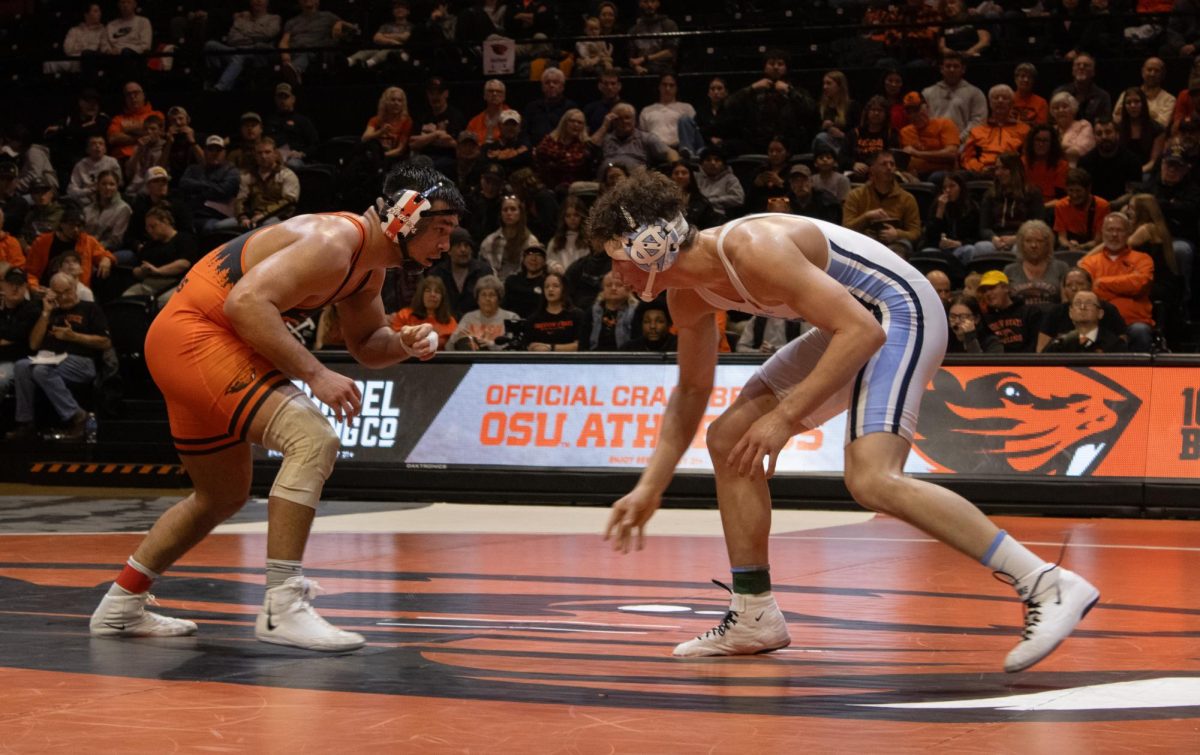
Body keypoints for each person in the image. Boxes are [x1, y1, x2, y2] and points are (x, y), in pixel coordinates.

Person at [591, 172, 1099, 672]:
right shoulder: (688, 296)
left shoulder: (752, 248)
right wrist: (650, 487)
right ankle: (754, 613)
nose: (613, 275)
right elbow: (692, 389)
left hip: (899, 312)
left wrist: (785, 417)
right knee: (729, 439)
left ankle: (1046, 583)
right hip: (852, 321)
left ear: (649, 248)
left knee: (871, 478)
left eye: (614, 260)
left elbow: (861, 332)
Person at [86, 163, 465, 651]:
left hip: (196, 339)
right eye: (441, 230)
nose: (444, 246)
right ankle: (281, 607)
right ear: (406, 219)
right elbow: (245, 304)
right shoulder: (334, 241)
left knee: (220, 495)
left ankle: (120, 606)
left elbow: (368, 344)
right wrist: (315, 374)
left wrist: (405, 344)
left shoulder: (367, 268)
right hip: (198, 337)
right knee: (313, 438)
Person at [6, 272, 110, 442]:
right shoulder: (51, 311)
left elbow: (105, 342)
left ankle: (78, 416)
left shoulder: (90, 308)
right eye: (58, 293)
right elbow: (33, 344)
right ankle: (26, 423)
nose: (64, 297)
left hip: (80, 361)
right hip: (49, 359)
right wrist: (46, 313)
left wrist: (73, 337)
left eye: (67, 291)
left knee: (41, 371)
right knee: (21, 366)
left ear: (75, 288)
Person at [1079, 212, 1155, 352]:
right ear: (1102, 233)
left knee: (1140, 331)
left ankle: (1140, 374)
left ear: (1128, 233)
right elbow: (1085, 294)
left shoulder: (1143, 259)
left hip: (1133, 323)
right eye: (1110, 230)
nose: (1114, 234)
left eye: (1119, 230)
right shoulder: (1089, 263)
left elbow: (1140, 284)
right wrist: (1126, 286)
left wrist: (1101, 283)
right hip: (1098, 325)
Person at [842, 150, 921, 259]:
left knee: (897, 253)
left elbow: (915, 232)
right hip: (865, 241)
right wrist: (866, 216)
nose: (889, 168)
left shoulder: (907, 198)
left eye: (892, 164)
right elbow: (846, 228)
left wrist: (897, 234)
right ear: (872, 169)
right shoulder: (855, 195)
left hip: (896, 243)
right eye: (884, 164)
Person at [122, 206, 198, 305]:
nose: (149, 231)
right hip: (148, 283)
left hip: (175, 283)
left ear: (165, 222)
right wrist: (142, 271)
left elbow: (184, 263)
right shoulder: (150, 245)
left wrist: (158, 271)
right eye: (147, 228)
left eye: (153, 226)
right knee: (126, 299)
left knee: (162, 303)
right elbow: (136, 269)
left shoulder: (184, 239)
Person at [205, 0, 282, 92]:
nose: (258, 1)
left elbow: (268, 34)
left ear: (267, 2)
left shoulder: (274, 18)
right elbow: (232, 38)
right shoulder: (241, 18)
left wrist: (243, 31)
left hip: (257, 53)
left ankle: (220, 87)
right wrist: (255, 35)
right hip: (235, 50)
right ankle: (219, 76)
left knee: (241, 54)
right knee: (210, 45)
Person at [961, 85, 1029, 176]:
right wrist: (980, 168)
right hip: (982, 172)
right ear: (990, 103)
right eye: (996, 98)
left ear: (1012, 103)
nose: (1000, 101)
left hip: (1012, 173)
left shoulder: (1024, 129)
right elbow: (967, 157)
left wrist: (1013, 169)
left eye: (1005, 98)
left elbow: (1028, 156)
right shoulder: (977, 130)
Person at [921, 51, 987, 142]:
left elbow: (978, 122)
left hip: (963, 145)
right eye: (948, 66)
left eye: (956, 66)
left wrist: (957, 140)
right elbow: (923, 120)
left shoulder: (975, 93)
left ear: (963, 69)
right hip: (933, 143)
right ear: (941, 69)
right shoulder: (927, 93)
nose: (952, 69)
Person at [428, 226, 493, 318]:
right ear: (449, 250)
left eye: (466, 245)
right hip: (445, 322)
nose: (463, 250)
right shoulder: (437, 273)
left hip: (477, 322)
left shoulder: (483, 271)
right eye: (458, 245)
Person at [976, 269, 1044, 352]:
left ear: (1006, 288)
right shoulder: (984, 320)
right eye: (984, 291)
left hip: (1026, 362)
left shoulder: (1030, 312)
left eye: (991, 288)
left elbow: (1037, 346)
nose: (987, 294)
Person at [1004, 219, 1068, 307]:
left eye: (1039, 241)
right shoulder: (1009, 270)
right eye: (1028, 241)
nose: (1033, 245)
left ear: (1047, 244)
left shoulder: (1061, 268)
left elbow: (1066, 303)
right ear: (1021, 244)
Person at [1079, 117, 1144, 202]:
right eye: (1099, 133)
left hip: (1123, 207)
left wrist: (1112, 205)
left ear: (1117, 134)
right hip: (1094, 206)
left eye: (1108, 132)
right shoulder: (1084, 162)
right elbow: (1083, 192)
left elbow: (1133, 192)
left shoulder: (1132, 160)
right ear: (1094, 137)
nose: (1104, 137)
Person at [898, 91, 960, 179]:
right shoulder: (905, 132)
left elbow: (952, 154)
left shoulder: (944, 123)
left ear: (926, 107)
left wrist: (917, 153)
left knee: (935, 177)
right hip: (915, 175)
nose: (913, 115)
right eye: (909, 112)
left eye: (916, 110)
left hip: (944, 174)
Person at [1042, 289, 1126, 353]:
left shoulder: (1114, 344)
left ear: (1100, 313)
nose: (1082, 307)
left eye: (1089, 303)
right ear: (1070, 313)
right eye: (1078, 303)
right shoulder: (1059, 343)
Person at [450, 274, 519, 351]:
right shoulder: (468, 317)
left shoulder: (511, 317)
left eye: (492, 295)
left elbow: (516, 346)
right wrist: (456, 339)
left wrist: (492, 345)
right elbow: (448, 347)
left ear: (499, 298)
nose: (487, 299)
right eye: (483, 295)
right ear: (477, 299)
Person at [0, 267, 39, 402]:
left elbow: (15, 335)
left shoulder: (32, 309)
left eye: (19, 284)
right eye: (11, 284)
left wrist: (8, 336)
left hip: (14, 361)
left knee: (1, 380)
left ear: (26, 287)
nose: (15, 288)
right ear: (2, 285)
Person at [388, 275, 457, 350]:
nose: (432, 295)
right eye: (428, 291)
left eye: (437, 292)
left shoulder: (450, 322)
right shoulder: (404, 315)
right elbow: (394, 342)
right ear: (421, 295)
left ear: (442, 298)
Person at [480, 195, 539, 279]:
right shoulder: (490, 241)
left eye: (513, 209)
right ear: (501, 214)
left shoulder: (530, 241)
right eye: (505, 210)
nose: (508, 213)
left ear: (520, 213)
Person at [1053, 168, 1110, 252]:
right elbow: (1062, 238)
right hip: (1069, 247)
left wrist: (1080, 247)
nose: (1074, 195)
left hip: (1093, 248)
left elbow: (1098, 241)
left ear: (1088, 189)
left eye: (1078, 191)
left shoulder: (1102, 206)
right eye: (1071, 190)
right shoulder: (1060, 206)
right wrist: (1070, 245)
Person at [524, 271, 582, 351]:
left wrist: (550, 348)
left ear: (564, 289)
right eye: (546, 287)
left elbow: (580, 346)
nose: (550, 289)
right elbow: (529, 346)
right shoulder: (533, 319)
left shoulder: (577, 315)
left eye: (556, 286)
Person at [579, 270, 637, 351]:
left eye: (619, 285)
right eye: (609, 285)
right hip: (595, 359)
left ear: (628, 289)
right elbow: (583, 344)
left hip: (625, 359)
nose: (613, 288)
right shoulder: (591, 312)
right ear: (602, 290)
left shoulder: (636, 311)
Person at [1117, 87, 1166, 176]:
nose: (1132, 105)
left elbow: (1153, 162)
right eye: (1128, 103)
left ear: (1143, 103)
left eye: (1137, 102)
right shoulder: (1118, 128)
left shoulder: (1157, 129)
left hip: (1146, 172)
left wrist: (1136, 171)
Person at [361, 87, 413, 164]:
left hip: (393, 158)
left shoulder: (407, 121)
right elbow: (364, 138)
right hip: (374, 156)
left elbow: (400, 150)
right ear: (386, 102)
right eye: (393, 100)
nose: (396, 103)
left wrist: (381, 156)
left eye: (399, 100)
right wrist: (380, 132)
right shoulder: (375, 120)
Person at [68, 135, 123, 201]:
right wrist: (88, 191)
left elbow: (119, 183)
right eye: (93, 144)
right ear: (87, 150)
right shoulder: (80, 165)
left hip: (107, 198)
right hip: (85, 200)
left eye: (101, 144)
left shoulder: (112, 162)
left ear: (105, 149)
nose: (97, 146)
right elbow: (71, 189)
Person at [1022, 124, 1068, 203]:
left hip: (1050, 207)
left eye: (1045, 141)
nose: (1041, 144)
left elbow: (1060, 199)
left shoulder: (1062, 165)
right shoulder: (1022, 162)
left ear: (1052, 144)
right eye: (1038, 140)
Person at [502, 243, 548, 318]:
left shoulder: (548, 283)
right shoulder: (511, 281)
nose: (533, 258)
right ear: (523, 259)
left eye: (539, 255)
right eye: (530, 254)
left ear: (544, 261)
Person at [546, 196, 589, 274]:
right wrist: (556, 267)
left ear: (582, 216)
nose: (572, 219)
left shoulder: (588, 240)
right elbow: (549, 260)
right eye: (568, 216)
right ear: (563, 218)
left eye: (576, 215)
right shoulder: (556, 241)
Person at [1050, 92, 1095, 166]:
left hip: (1077, 169)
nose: (1060, 110)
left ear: (1073, 109)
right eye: (1056, 108)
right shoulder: (1051, 129)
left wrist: (1055, 150)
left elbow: (1076, 152)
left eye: (1065, 107)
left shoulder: (1083, 125)